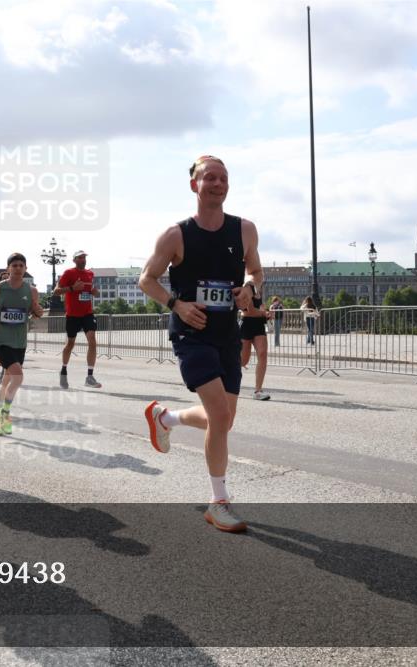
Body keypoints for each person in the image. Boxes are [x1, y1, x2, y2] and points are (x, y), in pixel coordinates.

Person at [138, 154, 263, 534]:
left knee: (222, 420)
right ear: (194, 185)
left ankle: (166, 417)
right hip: (191, 334)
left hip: (227, 333)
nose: (217, 183)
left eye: (223, 178)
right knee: (221, 419)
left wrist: (250, 289)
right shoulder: (176, 234)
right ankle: (219, 501)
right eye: (209, 177)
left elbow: (256, 270)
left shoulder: (244, 230)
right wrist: (176, 303)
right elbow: (147, 279)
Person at [0, 253, 44, 436]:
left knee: (9, 380)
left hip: (19, 341)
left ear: (25, 268)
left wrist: (38, 312)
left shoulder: (31, 291)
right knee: (18, 377)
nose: (18, 268)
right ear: (8, 269)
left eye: (21, 265)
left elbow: (34, 312)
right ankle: (5, 414)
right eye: (14, 265)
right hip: (1, 340)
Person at [55, 250, 102, 389]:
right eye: (80, 258)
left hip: (87, 313)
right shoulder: (69, 273)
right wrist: (72, 288)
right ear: (74, 260)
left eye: (84, 257)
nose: (83, 260)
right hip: (72, 314)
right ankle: (63, 371)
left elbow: (92, 290)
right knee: (70, 344)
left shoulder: (89, 274)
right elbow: (56, 291)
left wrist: (95, 292)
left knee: (92, 341)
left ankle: (89, 376)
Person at [239, 295, 271, 400]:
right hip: (247, 323)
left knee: (262, 354)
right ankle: (225, 378)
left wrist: (266, 311)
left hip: (259, 325)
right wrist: (264, 313)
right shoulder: (247, 287)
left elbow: (261, 305)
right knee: (243, 361)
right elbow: (249, 311)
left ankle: (258, 390)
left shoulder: (258, 289)